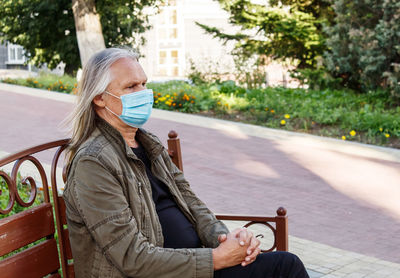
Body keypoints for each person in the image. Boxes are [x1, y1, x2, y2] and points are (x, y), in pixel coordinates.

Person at [63, 47, 309, 278]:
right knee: (286, 268)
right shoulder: (93, 163)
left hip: (189, 266)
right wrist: (216, 259)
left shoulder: (147, 143)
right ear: (99, 99)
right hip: (152, 273)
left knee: (285, 265)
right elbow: (131, 257)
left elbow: (191, 203)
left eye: (144, 84)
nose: (143, 93)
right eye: (130, 86)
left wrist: (229, 242)